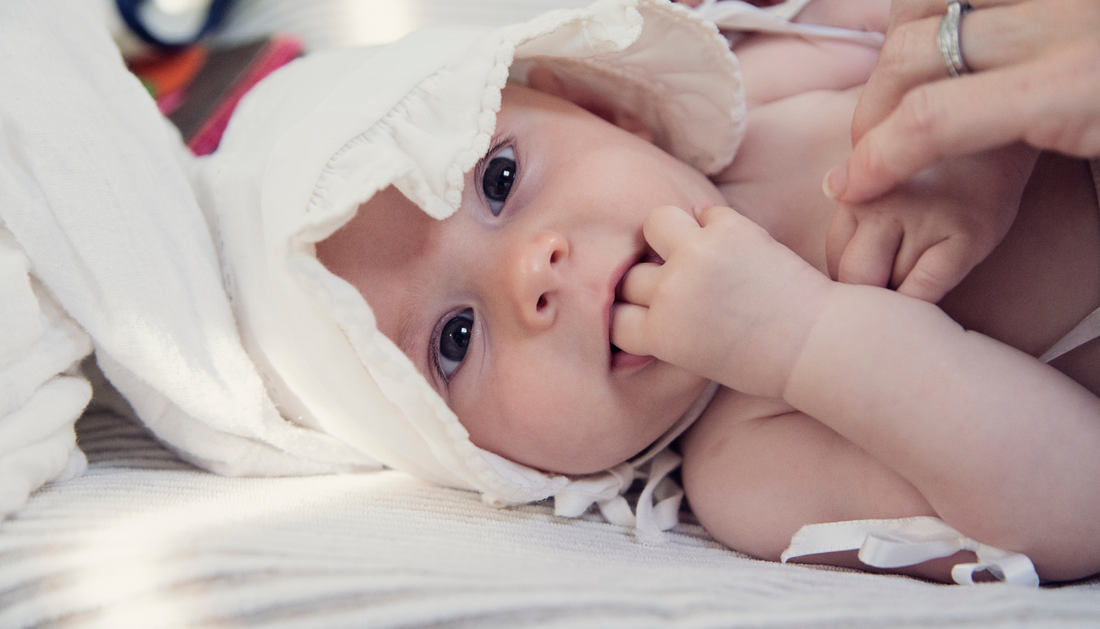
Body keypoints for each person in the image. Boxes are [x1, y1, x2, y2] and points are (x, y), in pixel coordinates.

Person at [201, 0, 1100, 586]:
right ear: (493, 463)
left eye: (501, 178)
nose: (531, 274)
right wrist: (804, 339)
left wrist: (961, 69)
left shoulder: (766, 82)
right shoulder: (747, 462)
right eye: (453, 340)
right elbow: (1077, 499)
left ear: (602, 107)